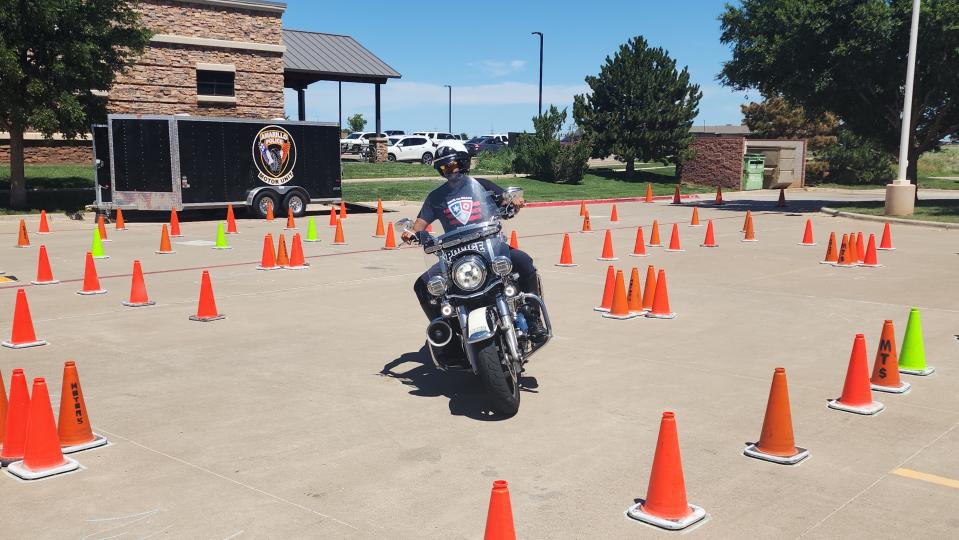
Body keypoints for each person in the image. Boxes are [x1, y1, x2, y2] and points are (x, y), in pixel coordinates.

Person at [403, 141, 546, 340]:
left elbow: (504, 200)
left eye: (452, 165)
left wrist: (513, 202)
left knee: (524, 262)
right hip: (455, 256)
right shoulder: (435, 197)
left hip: (491, 248)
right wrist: (413, 232)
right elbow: (420, 222)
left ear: (463, 163)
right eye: (444, 167)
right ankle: (446, 334)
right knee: (423, 285)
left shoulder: (482, 185)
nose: (448, 171)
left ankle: (532, 318)